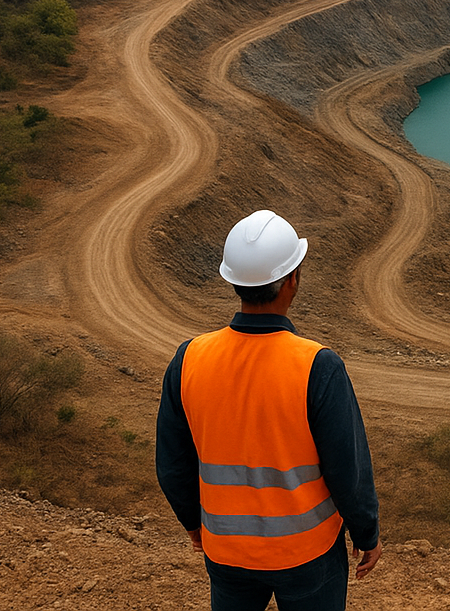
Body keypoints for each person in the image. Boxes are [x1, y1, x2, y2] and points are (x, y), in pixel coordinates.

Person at [156, 209, 381, 611]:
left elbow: (173, 465)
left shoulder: (189, 359)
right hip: (307, 554)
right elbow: (348, 470)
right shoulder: (318, 366)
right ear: (292, 279)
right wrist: (367, 534)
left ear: (233, 282)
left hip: (226, 552)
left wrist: (194, 524)